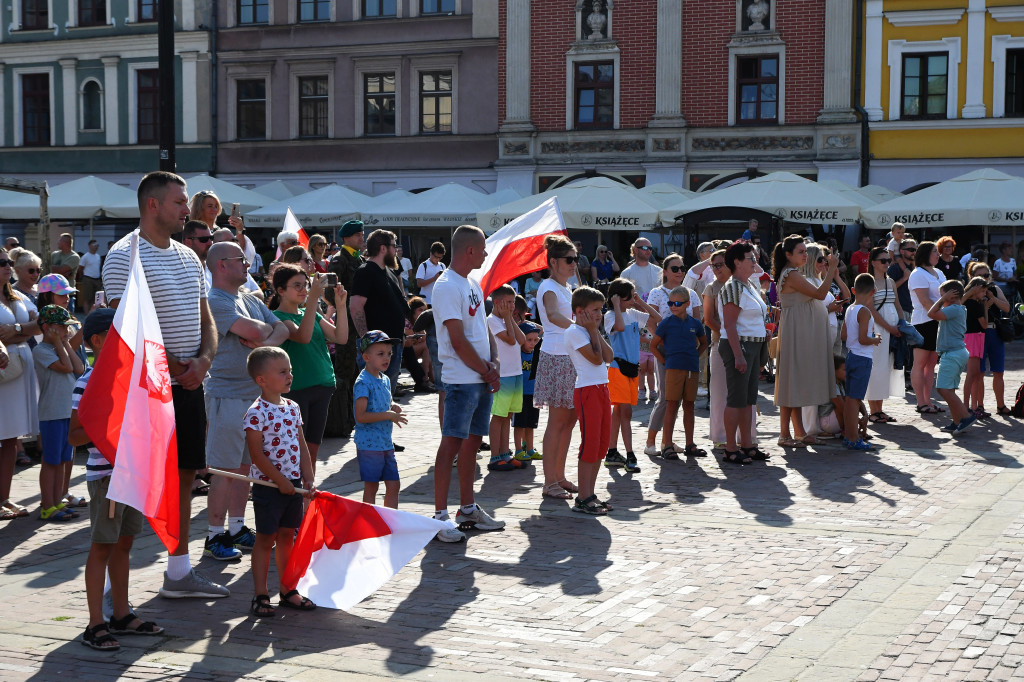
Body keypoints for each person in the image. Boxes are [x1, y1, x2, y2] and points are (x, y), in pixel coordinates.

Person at [103, 171, 226, 600]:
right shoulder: (124, 254)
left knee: (187, 471)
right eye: (179, 202)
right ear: (152, 204)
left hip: (189, 383)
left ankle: (178, 571)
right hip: (146, 390)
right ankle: (111, 578)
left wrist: (204, 360)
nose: (187, 210)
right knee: (133, 479)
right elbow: (127, 330)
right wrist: (176, 365)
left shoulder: (189, 257)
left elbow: (205, 317)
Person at [71, 308, 164, 650]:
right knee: (102, 547)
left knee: (125, 544)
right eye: (119, 335)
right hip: (108, 478)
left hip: (134, 473)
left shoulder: (133, 378)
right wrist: (112, 426)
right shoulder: (89, 382)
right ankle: (95, 623)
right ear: (97, 341)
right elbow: (74, 435)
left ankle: (121, 614)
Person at [202, 241, 291, 562]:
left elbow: (284, 328)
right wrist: (265, 334)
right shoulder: (214, 301)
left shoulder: (249, 299)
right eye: (240, 259)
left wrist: (262, 337)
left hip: (253, 399)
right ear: (221, 265)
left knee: (245, 468)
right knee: (225, 470)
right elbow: (256, 330)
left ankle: (237, 528)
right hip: (227, 396)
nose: (247, 264)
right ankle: (214, 535)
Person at [430, 225, 505, 542]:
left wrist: (495, 361)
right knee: (452, 446)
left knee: (473, 443)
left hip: (479, 376)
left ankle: (467, 507)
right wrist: (487, 369)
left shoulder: (472, 282)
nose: (487, 254)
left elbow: (482, 328)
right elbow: (456, 339)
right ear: (470, 250)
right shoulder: (446, 285)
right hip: (461, 380)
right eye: (483, 248)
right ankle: (440, 516)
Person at [243, 346, 317, 618]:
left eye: (290, 371)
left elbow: (301, 445)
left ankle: (288, 590)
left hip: (293, 484)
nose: (290, 376)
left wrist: (307, 478)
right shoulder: (256, 412)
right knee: (265, 539)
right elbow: (257, 455)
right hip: (268, 487)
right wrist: (279, 480)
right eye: (283, 372)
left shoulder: (292, 407)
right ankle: (261, 594)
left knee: (288, 536)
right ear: (261, 380)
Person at [270, 265, 348, 469]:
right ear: (280, 290)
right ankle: (296, 490)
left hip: (322, 385)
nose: (304, 289)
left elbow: (341, 337)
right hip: (297, 389)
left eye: (305, 285)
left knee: (313, 446)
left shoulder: (309, 311)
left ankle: (307, 491)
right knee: (297, 447)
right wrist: (313, 298)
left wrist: (340, 306)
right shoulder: (277, 317)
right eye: (297, 285)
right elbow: (302, 337)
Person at [773, 234, 839, 447]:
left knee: (796, 382)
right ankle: (784, 434)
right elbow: (820, 294)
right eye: (801, 252)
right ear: (788, 255)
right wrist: (832, 271)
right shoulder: (791, 273)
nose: (805, 255)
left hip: (800, 330)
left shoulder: (794, 272)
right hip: (796, 331)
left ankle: (799, 432)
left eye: (805, 251)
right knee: (790, 382)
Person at [535, 235, 580, 500]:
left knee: (569, 421)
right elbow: (552, 315)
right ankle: (549, 482)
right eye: (569, 259)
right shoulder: (549, 286)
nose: (574, 264)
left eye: (575, 259)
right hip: (557, 356)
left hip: (570, 356)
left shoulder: (566, 287)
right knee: (557, 421)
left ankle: (559, 476)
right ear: (553, 262)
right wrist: (580, 328)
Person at [643, 253, 702, 455]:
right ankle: (651, 441)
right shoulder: (657, 293)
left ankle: (667, 442)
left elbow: (698, 321)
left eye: (682, 268)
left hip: (685, 354)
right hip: (664, 350)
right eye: (674, 268)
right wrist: (663, 344)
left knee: (683, 399)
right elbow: (651, 321)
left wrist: (691, 347)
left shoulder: (691, 293)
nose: (679, 272)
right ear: (665, 271)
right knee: (666, 397)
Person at [33, 305, 85, 520]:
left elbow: (79, 368)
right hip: (52, 412)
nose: (66, 331)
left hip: (66, 412)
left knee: (63, 459)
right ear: (47, 328)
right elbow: (65, 367)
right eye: (61, 328)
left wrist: (63, 342)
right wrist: (58, 342)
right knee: (51, 461)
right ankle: (47, 505)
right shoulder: (42, 350)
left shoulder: (59, 347)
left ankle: (57, 502)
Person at [564, 286, 613, 514]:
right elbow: (595, 360)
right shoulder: (574, 332)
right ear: (580, 311)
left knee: (601, 445)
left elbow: (609, 356)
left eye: (601, 309)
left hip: (601, 389)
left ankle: (590, 494)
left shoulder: (591, 330)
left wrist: (595, 330)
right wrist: (593, 331)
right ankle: (583, 497)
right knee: (590, 444)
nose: (599, 314)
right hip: (587, 391)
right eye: (594, 310)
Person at [704, 248, 758, 451]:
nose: (716, 269)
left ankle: (747, 438)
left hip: (745, 343)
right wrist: (729, 334)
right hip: (722, 345)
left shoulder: (747, 284)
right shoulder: (713, 288)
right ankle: (722, 437)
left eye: (720, 264)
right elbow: (709, 319)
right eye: (713, 265)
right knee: (720, 393)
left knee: (745, 396)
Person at [603, 278, 659, 472]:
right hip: (618, 368)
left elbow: (656, 317)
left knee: (619, 412)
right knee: (625, 412)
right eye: (629, 298)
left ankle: (611, 452)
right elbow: (618, 327)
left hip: (632, 369)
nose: (631, 301)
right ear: (617, 298)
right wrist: (617, 305)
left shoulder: (633, 313)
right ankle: (629, 454)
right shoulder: (611, 315)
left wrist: (639, 302)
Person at [0, 247, 40, 519]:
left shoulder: (16, 296)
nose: (7, 266)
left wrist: (13, 332)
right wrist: (19, 334)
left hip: (19, 370)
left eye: (7, 262)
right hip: (3, 372)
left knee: (11, 439)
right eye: (1, 262)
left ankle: (4, 497)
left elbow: (39, 325)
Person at [350, 230, 410, 400]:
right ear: (383, 248)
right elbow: (356, 307)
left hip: (392, 345)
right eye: (393, 246)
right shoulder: (366, 271)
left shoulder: (389, 272)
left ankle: (382, 426)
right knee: (374, 399)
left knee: (385, 399)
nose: (396, 250)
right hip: (375, 348)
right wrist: (366, 340)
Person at [650, 286, 706, 459]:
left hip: (691, 369)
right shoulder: (666, 323)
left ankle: (690, 444)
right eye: (670, 303)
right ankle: (667, 445)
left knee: (689, 405)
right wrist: (666, 361)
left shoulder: (695, 323)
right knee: (672, 405)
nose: (673, 306)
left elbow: (703, 343)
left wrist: (693, 358)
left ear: (687, 304)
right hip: (673, 369)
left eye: (677, 303)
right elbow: (653, 345)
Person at [354, 331, 408, 508]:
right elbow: (360, 416)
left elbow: (385, 399)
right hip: (369, 445)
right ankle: (369, 522)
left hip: (385, 443)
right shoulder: (363, 382)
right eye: (381, 354)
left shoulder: (384, 379)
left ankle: (390, 522)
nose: (387, 358)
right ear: (366, 357)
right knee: (372, 486)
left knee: (394, 484)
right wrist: (388, 415)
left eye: (389, 353)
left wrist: (392, 406)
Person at [325, 219, 364, 439]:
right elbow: (330, 291)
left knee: (358, 373)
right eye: (358, 235)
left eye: (362, 234)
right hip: (346, 323)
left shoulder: (359, 259)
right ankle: (344, 420)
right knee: (346, 371)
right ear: (347, 237)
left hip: (359, 323)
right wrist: (344, 305)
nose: (362, 238)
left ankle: (355, 418)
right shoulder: (339, 260)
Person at [487, 285, 529, 470]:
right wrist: (506, 318)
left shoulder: (506, 320)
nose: (513, 306)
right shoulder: (492, 321)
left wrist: (509, 319)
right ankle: (495, 456)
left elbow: (521, 340)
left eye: (513, 302)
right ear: (497, 303)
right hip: (502, 375)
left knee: (508, 415)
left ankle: (505, 453)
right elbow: (511, 340)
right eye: (509, 302)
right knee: (498, 416)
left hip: (515, 373)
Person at [928, 281, 976, 433]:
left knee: (942, 389)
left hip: (953, 354)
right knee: (949, 389)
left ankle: (966, 417)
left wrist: (942, 300)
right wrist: (944, 299)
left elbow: (931, 314)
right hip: (956, 353)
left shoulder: (954, 309)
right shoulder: (956, 308)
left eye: (942, 295)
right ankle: (957, 421)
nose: (940, 298)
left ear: (952, 295)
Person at [864, 247, 905, 424]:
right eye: (883, 261)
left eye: (888, 260)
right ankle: (873, 410)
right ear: (873, 262)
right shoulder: (868, 282)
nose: (887, 264)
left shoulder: (890, 282)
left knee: (886, 368)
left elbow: (898, 305)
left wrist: (902, 324)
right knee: (876, 368)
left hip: (893, 330)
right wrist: (889, 326)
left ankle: (879, 409)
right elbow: (870, 309)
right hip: (877, 330)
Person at [842, 274, 881, 450]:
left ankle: (849, 435)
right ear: (873, 291)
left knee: (850, 398)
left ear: (853, 290)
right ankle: (852, 437)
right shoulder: (864, 311)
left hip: (850, 356)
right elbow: (863, 339)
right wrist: (875, 339)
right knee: (854, 400)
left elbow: (844, 335)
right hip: (862, 358)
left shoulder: (850, 309)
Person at [967, 262, 1011, 415]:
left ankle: (1001, 405)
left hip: (994, 333)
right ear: (972, 277)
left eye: (986, 275)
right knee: (979, 372)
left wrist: (993, 299)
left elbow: (1006, 308)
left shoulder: (994, 289)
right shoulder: (969, 293)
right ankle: (979, 406)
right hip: (977, 335)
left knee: (999, 371)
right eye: (980, 276)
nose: (984, 279)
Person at [908, 241, 946, 414]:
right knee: (920, 363)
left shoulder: (938, 272)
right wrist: (942, 315)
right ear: (925, 254)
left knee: (931, 365)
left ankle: (928, 402)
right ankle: (920, 402)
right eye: (934, 252)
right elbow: (925, 302)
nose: (937, 255)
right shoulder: (917, 274)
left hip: (938, 320)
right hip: (923, 322)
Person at [512, 322, 543, 462]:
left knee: (531, 424)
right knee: (519, 424)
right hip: (519, 394)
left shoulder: (537, 354)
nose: (533, 343)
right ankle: (518, 450)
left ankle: (530, 449)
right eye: (529, 340)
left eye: (535, 340)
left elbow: (542, 330)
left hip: (533, 394)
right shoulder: (517, 353)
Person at [961, 277, 989, 419]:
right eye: (982, 290)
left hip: (973, 338)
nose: (984, 293)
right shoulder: (975, 304)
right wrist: (985, 308)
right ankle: (967, 407)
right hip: (974, 338)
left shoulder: (966, 302)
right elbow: (985, 324)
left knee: (975, 374)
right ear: (976, 289)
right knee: (972, 375)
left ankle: (972, 406)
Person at [888, 239, 917, 322]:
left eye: (915, 250)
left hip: (914, 310)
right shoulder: (894, 268)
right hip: (900, 310)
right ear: (902, 251)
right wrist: (904, 278)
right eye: (911, 250)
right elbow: (888, 288)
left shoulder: (916, 268)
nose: (914, 252)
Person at [50, 233, 81, 308]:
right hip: (54, 293)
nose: (57, 242)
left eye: (59, 241)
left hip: (67, 294)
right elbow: (46, 268)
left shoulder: (74, 257)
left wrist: (52, 269)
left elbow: (61, 270)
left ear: (65, 243)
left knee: (69, 318)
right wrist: (60, 271)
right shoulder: (54, 254)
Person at [78, 240, 103, 315]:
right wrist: (84, 277)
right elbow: (80, 268)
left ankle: (92, 313)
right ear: (89, 246)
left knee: (95, 298)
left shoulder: (98, 256)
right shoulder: (85, 256)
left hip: (97, 279)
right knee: (87, 298)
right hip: (88, 278)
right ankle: (86, 314)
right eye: (94, 245)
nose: (96, 246)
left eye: (97, 245)